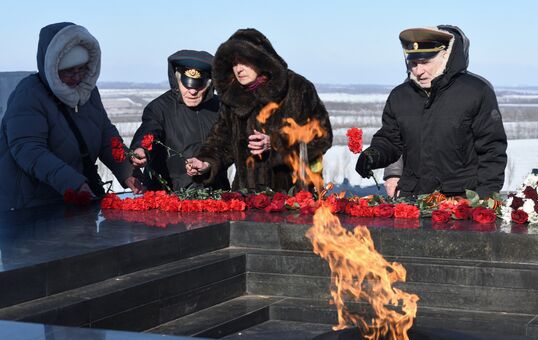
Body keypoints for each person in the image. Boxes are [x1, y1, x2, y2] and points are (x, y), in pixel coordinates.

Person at [0, 22, 143, 210]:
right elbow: (29, 150)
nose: (77, 77)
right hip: (30, 206)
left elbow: (106, 137)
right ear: (52, 68)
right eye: (68, 71)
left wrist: (128, 172)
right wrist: (73, 183)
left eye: (82, 69)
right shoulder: (29, 96)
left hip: (76, 197)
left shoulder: (88, 93)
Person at [356, 25, 507, 198]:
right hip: (412, 198)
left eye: (425, 62)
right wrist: (374, 155)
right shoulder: (400, 96)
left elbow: (492, 150)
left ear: (445, 56)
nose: (419, 71)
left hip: (461, 199)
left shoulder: (476, 91)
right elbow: (391, 140)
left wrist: (483, 198)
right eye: (413, 64)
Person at [186, 28, 333, 192]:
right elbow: (221, 141)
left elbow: (322, 138)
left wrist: (276, 143)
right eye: (234, 63)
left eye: (243, 62)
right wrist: (206, 162)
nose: (238, 69)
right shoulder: (232, 96)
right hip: (246, 197)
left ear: (261, 60)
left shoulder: (298, 88)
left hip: (293, 198)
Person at [130, 50, 229, 191]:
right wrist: (141, 149)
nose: (192, 92)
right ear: (177, 80)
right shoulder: (159, 108)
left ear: (209, 83)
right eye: (187, 85)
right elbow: (149, 131)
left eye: (198, 86)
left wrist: (209, 164)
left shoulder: (222, 108)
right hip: (169, 198)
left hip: (216, 196)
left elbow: (231, 147)